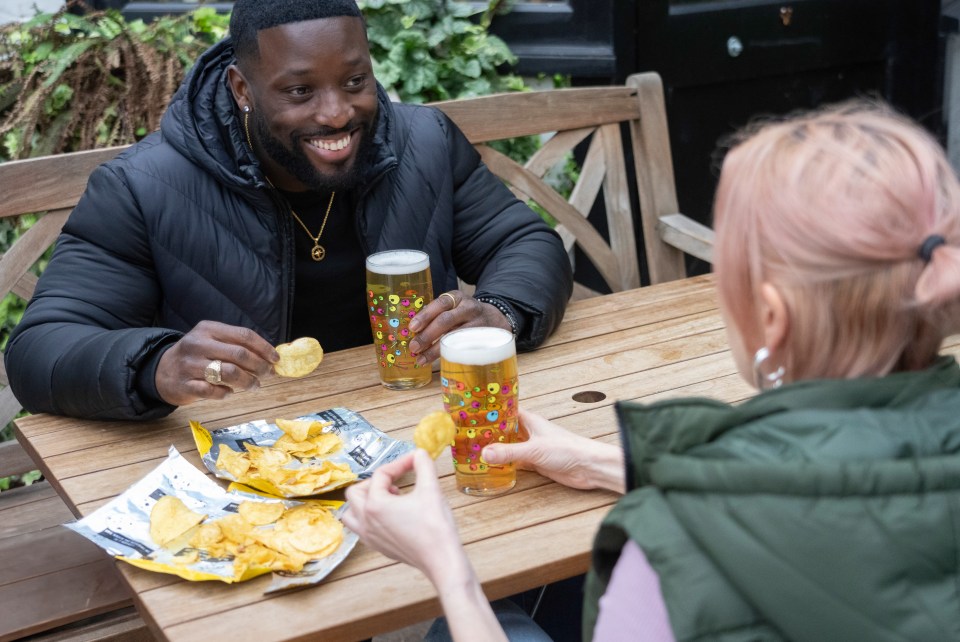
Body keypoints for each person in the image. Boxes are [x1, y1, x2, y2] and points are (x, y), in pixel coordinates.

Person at [343, 100, 960, 641]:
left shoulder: (667, 551)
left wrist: (445, 565)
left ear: (771, 317)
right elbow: (832, 494)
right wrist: (596, 461)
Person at [4, 0, 573, 420]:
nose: (336, 114)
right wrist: (156, 365)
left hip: (418, 424)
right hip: (249, 466)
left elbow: (524, 243)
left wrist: (502, 309)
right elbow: (40, 350)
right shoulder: (142, 187)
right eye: (300, 91)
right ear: (242, 89)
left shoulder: (422, 141)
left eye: (355, 81)